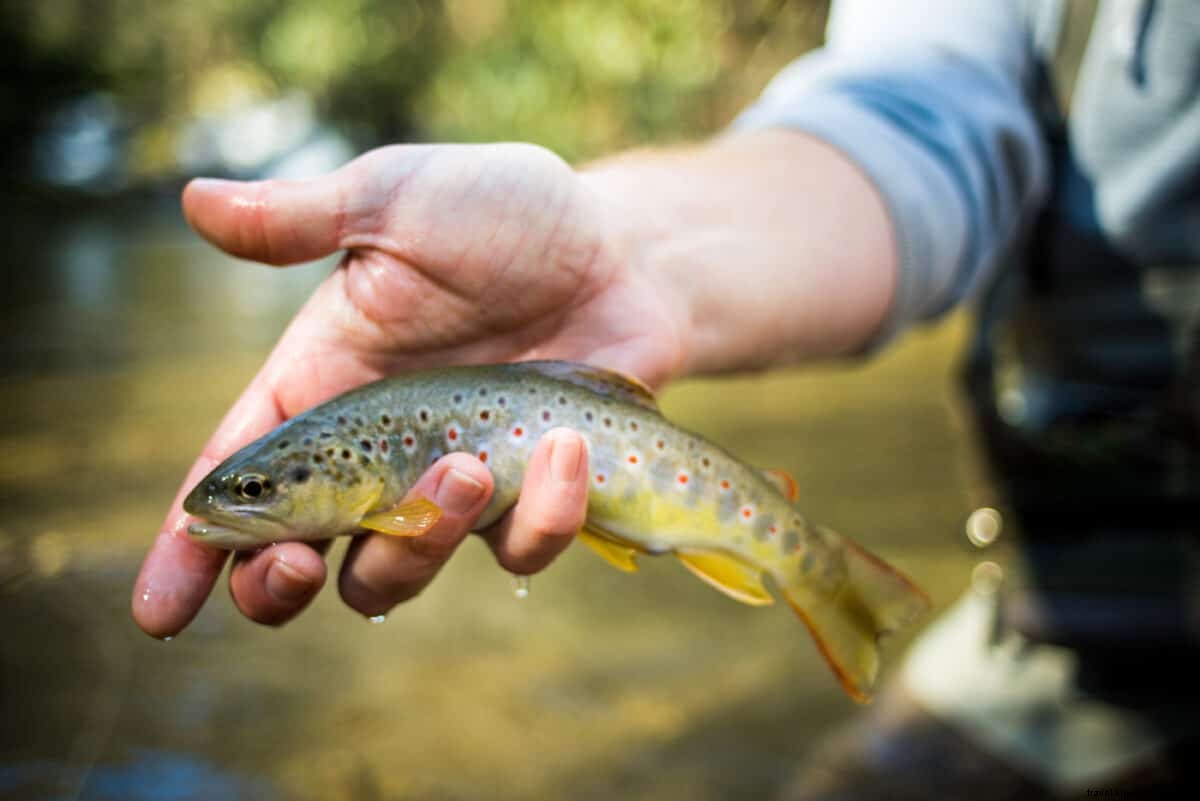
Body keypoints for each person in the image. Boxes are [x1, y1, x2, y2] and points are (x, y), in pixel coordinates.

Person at [133, 0, 1199, 796]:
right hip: (1084, 621)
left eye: (265, 486)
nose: (241, 503)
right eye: (263, 488)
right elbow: (916, 124)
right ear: (356, 476)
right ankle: (818, 572)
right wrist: (623, 251)